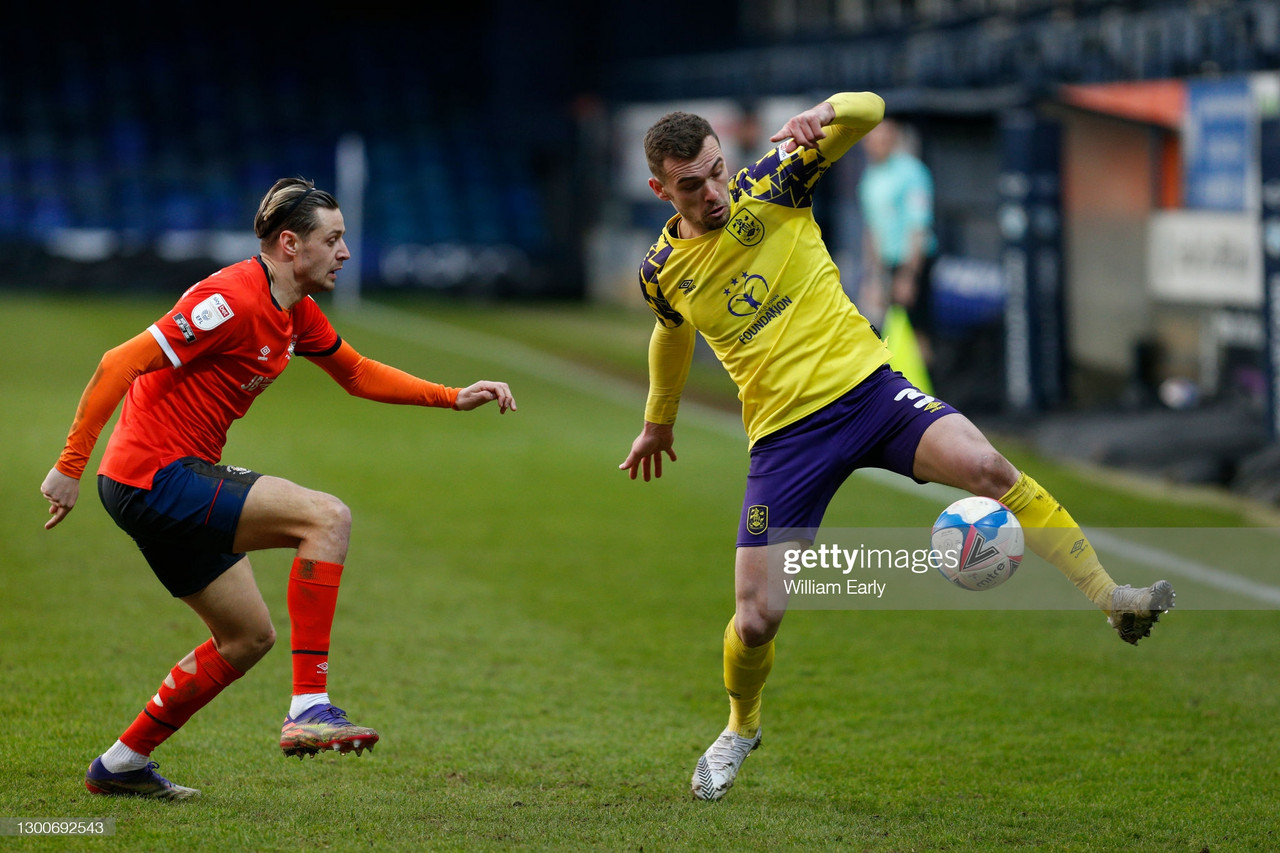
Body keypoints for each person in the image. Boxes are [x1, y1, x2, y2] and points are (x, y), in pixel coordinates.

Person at [618, 94, 1174, 802]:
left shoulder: (773, 182)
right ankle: (740, 727)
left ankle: (1111, 597)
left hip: (872, 395)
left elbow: (871, 110)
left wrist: (821, 114)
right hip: (786, 439)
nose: (713, 193)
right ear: (660, 190)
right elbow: (671, 331)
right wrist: (658, 419)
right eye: (691, 185)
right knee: (757, 616)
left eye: (716, 172)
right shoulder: (661, 269)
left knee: (987, 467)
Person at [40, 177, 517, 800]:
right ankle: (309, 706)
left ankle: (122, 763)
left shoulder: (295, 309)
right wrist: (69, 466)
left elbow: (355, 373)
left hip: (155, 482)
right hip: (156, 474)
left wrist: (452, 396)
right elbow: (118, 362)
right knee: (325, 518)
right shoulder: (231, 298)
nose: (345, 252)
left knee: (246, 639)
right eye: (334, 238)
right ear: (291, 244)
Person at [858, 117, 938, 373]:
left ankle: (933, 396)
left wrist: (909, 275)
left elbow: (918, 227)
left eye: (885, 138)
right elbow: (872, 229)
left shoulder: (911, 172)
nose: (878, 144)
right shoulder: (869, 178)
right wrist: (872, 275)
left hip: (913, 261)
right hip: (887, 263)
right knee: (889, 331)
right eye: (874, 139)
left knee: (917, 331)